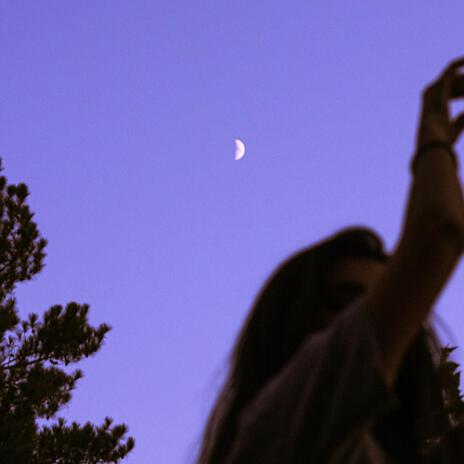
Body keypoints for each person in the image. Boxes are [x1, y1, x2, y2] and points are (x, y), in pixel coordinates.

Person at [194, 57, 464, 463]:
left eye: (380, 297)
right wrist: (433, 134)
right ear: (291, 323)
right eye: (341, 303)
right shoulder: (283, 424)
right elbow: (438, 230)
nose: (372, 314)